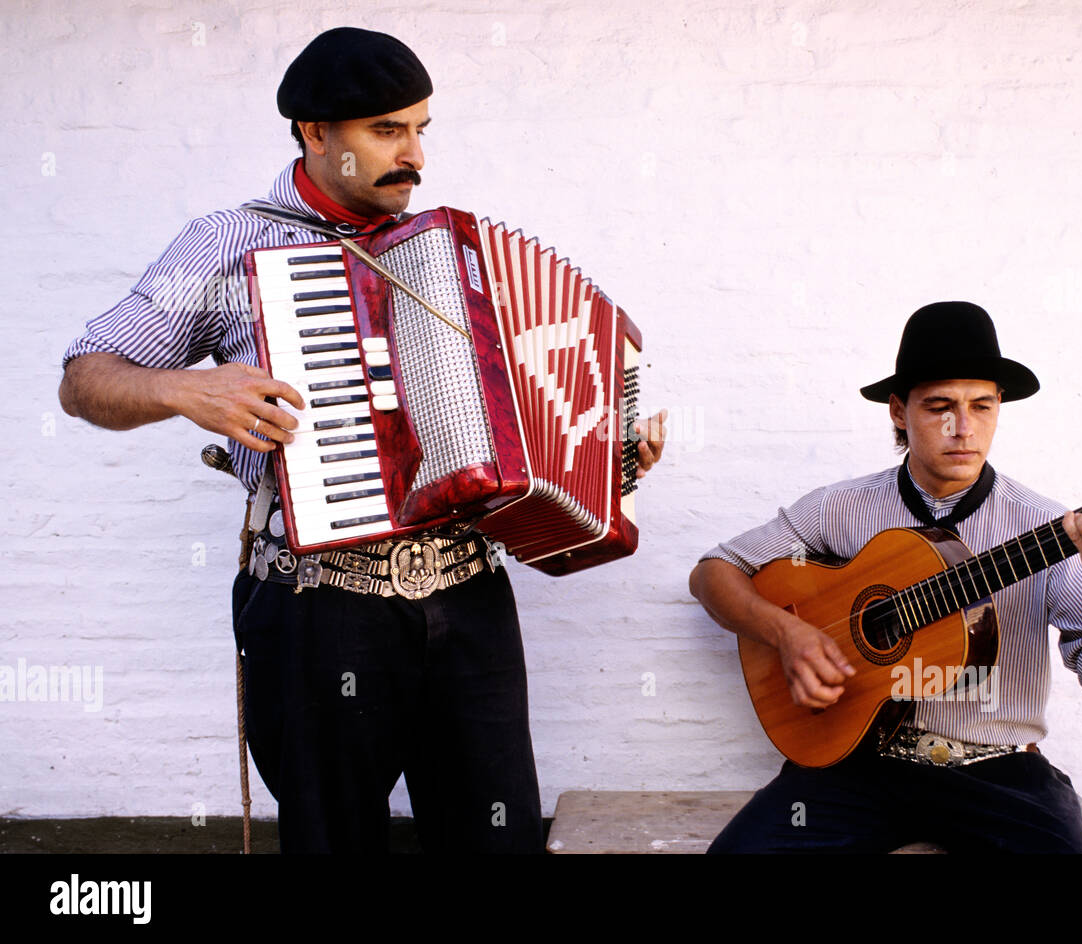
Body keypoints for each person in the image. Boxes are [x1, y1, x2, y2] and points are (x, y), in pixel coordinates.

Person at [58, 27, 665, 853]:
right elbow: (85, 377)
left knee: (497, 840)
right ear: (314, 133)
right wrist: (181, 388)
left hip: (468, 596)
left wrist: (608, 455)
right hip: (320, 607)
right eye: (386, 131)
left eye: (420, 127)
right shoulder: (226, 243)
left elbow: (528, 427)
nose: (414, 153)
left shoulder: (458, 257)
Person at [689, 301, 1082, 853]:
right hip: (854, 762)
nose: (963, 428)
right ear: (898, 410)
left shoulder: (1051, 531)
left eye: (982, 406)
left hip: (997, 772)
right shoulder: (840, 507)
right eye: (940, 405)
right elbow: (713, 573)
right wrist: (786, 633)